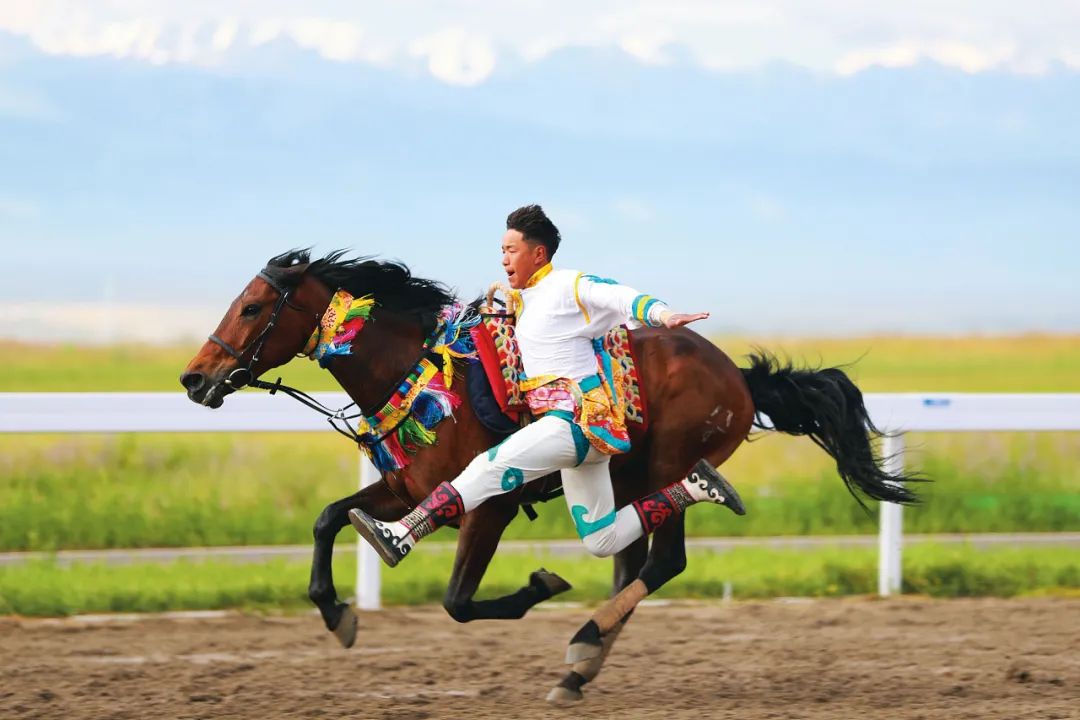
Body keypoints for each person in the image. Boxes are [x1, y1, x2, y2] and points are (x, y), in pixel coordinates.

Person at [349, 204, 739, 567]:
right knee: (601, 541)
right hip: (587, 435)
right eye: (501, 250)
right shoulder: (521, 299)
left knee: (491, 465)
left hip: (573, 420)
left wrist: (663, 314)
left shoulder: (569, 286)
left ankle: (403, 532)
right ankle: (692, 488)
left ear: (538, 254)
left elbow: (618, 295)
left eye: (511, 250)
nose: (503, 259)